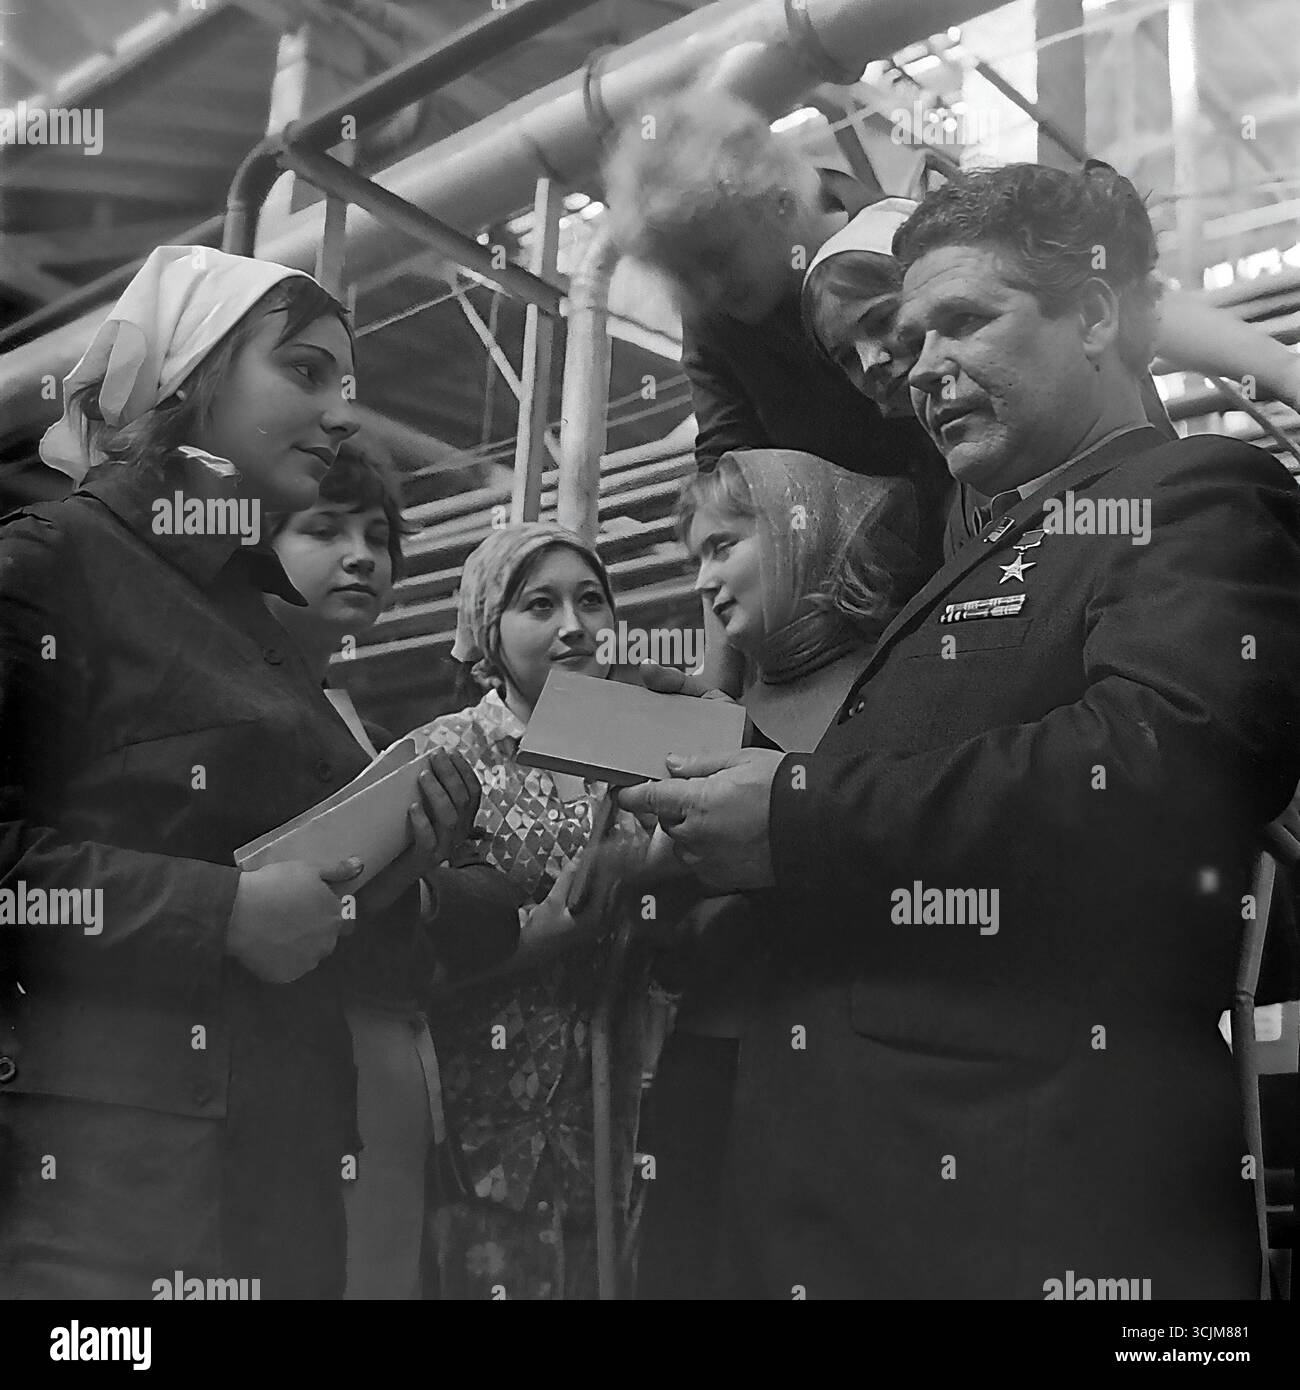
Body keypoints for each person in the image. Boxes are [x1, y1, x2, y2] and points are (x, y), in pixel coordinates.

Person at [620, 164, 1300, 1298]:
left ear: (1092, 316)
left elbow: (1152, 768)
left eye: (963, 322)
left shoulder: (1198, 495)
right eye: (907, 336)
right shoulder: (978, 548)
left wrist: (791, 815)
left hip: (1034, 1198)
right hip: (877, 1194)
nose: (919, 369)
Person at [0, 246, 518, 1299]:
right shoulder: (49, 565)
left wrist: (383, 863)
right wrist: (218, 911)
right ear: (190, 378)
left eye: (350, 385)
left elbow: (280, 895)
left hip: (276, 1171)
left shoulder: (250, 619)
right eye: (306, 371)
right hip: (109, 1204)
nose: (341, 416)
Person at [635, 448, 921, 1298]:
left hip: (851, 1095)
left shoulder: (909, 691)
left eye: (723, 545)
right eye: (694, 560)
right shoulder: (698, 717)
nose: (703, 579)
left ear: (806, 534)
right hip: (708, 1074)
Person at [264, 438, 502, 1299]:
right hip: (297, 1085)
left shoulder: (353, 721)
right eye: (325, 529)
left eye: (378, 534)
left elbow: (365, 908)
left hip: (381, 1075)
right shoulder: (241, 720)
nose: (363, 553)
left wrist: (412, 874)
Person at [406, 523, 659, 1300]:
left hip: (610, 1121)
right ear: (490, 627)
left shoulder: (642, 746)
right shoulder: (442, 756)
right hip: (482, 1132)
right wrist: (542, 937)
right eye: (539, 605)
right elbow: (400, 961)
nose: (574, 627)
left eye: (591, 601)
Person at [602, 85, 953, 583]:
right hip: (851, 591)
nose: (705, 289)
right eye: (681, 276)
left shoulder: (905, 242)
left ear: (781, 205)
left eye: (715, 259)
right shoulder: (716, 317)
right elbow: (729, 480)